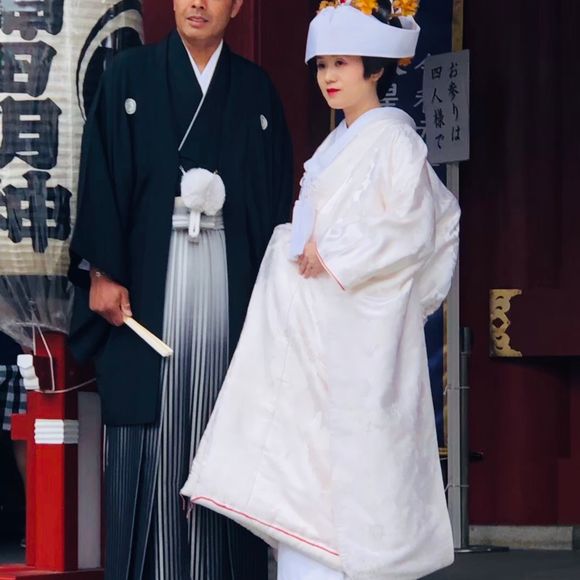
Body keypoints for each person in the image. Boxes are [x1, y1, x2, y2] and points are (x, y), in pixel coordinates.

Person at [180, 1, 460, 578]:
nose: (329, 77)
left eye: (342, 63)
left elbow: (411, 229)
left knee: (354, 466)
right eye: (322, 65)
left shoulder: (395, 142)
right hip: (318, 331)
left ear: (375, 69)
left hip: (361, 334)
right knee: (303, 462)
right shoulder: (333, 148)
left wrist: (330, 253)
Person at [67, 0, 293, 578]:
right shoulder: (129, 75)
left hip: (227, 279)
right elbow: (101, 172)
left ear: (236, 6)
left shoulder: (256, 91)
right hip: (148, 279)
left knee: (225, 418)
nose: (198, 4)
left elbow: (273, 204)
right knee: (153, 431)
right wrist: (102, 272)